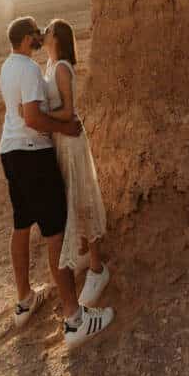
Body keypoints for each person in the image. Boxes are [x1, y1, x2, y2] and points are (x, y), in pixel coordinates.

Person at [0, 15, 114, 347]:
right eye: (36, 33)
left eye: (43, 32)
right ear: (25, 38)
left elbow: (26, 113)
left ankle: (24, 301)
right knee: (54, 232)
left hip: (10, 151)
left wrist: (57, 124)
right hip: (33, 152)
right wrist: (62, 127)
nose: (39, 37)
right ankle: (75, 320)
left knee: (21, 225)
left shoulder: (7, 68)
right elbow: (33, 117)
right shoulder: (33, 69)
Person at [43, 18, 110, 307]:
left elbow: (69, 111)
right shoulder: (51, 65)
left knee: (81, 199)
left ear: (56, 37)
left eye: (47, 30)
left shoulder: (60, 68)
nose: (43, 34)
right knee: (71, 198)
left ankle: (97, 268)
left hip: (70, 142)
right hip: (62, 140)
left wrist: (39, 117)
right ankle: (84, 254)